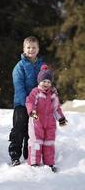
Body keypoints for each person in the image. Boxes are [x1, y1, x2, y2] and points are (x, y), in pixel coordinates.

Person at [8, 36, 45, 166]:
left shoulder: (42, 66)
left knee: (34, 129)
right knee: (20, 128)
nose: (31, 50)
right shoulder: (19, 67)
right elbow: (19, 87)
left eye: (34, 47)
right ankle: (15, 154)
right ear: (24, 49)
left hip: (38, 104)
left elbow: (46, 82)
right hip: (22, 103)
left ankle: (29, 153)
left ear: (38, 49)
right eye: (28, 47)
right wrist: (28, 103)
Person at [25, 64, 67, 172]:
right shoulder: (36, 92)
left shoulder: (53, 94)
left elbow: (56, 108)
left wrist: (61, 118)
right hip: (37, 121)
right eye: (44, 81)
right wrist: (32, 112)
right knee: (36, 142)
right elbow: (29, 102)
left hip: (50, 123)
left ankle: (49, 163)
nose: (46, 84)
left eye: (48, 82)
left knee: (49, 143)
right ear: (39, 81)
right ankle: (34, 162)